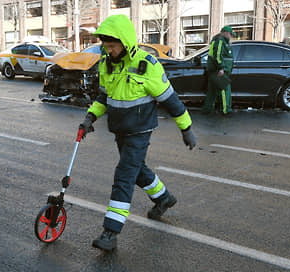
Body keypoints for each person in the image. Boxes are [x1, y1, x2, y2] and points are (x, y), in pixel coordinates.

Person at [78, 14, 197, 251]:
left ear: (126, 42)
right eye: (106, 45)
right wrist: (90, 117)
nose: (108, 50)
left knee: (124, 175)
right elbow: (104, 97)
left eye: (112, 45)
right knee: (136, 169)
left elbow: (170, 100)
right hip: (120, 130)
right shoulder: (107, 64)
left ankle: (110, 232)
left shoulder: (147, 65)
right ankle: (164, 198)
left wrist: (186, 128)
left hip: (140, 130)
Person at [201, 25, 235, 116]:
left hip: (215, 70)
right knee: (224, 90)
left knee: (212, 91)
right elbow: (218, 55)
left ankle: (207, 110)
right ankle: (226, 110)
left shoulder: (220, 40)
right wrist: (221, 68)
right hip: (219, 70)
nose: (231, 37)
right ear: (226, 33)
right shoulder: (220, 41)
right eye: (230, 35)